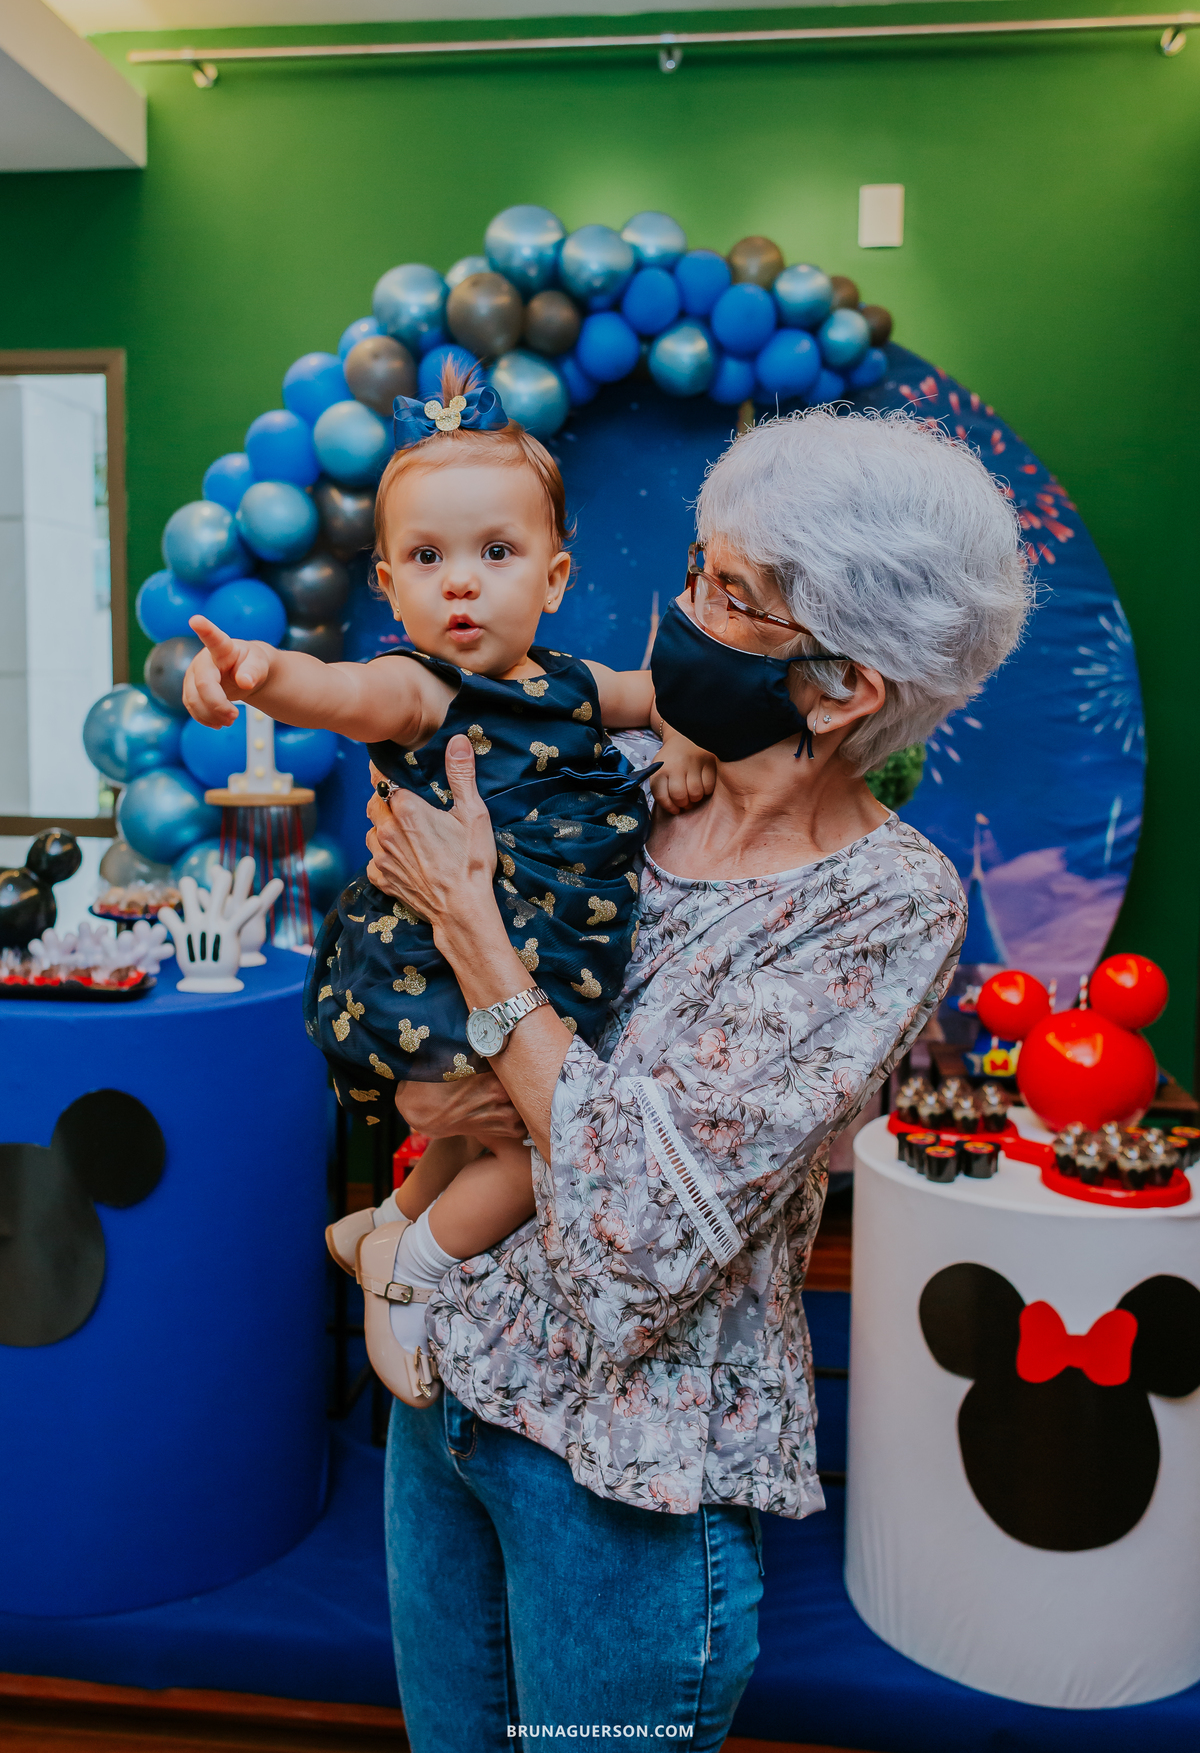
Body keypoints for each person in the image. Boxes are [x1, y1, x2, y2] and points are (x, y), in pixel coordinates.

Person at [357, 406, 1033, 1749]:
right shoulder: (621, 778)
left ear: (843, 689)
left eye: (731, 597)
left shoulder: (882, 904)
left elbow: (635, 1239)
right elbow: (419, 1030)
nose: (677, 614)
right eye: (696, 568)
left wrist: (480, 939)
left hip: (623, 1487)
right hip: (444, 1414)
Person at [181, 361, 713, 1404]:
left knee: (487, 1127)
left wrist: (686, 729)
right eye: (426, 557)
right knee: (529, 1145)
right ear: (387, 584)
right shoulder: (420, 691)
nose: (459, 581)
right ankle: (409, 1274)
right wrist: (253, 673)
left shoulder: (570, 684)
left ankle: (384, 1221)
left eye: (494, 553)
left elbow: (658, 691)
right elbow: (334, 690)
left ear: (553, 580)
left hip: (540, 955)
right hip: (443, 966)